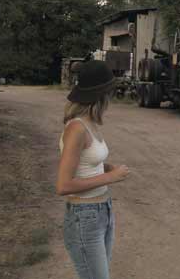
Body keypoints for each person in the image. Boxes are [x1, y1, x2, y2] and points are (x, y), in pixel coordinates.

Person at [56, 60, 130, 279]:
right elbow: (63, 185)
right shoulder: (76, 128)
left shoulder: (90, 123)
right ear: (101, 95)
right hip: (84, 215)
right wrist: (110, 176)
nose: (111, 98)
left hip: (102, 210)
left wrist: (107, 167)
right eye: (110, 92)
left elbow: (87, 163)